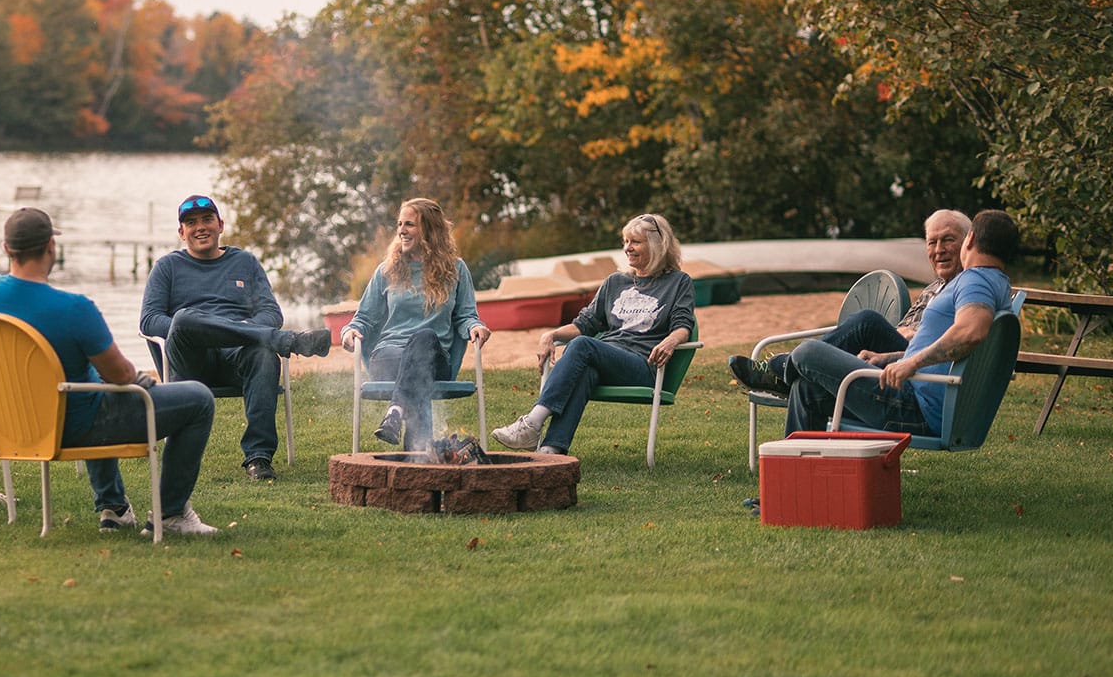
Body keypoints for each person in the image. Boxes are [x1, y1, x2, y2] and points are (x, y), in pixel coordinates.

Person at [0, 207, 219, 535]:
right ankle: (171, 514)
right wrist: (140, 380)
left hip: (12, 424)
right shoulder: (75, 309)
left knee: (91, 383)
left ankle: (114, 508)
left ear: (6, 248)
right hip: (72, 426)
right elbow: (121, 375)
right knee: (199, 398)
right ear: (51, 247)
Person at [139, 194, 334, 483]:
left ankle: (258, 457)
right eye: (191, 223)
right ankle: (288, 341)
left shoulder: (245, 262)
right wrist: (198, 330)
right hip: (191, 361)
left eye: (207, 220)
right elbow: (149, 320)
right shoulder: (167, 267)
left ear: (220, 225)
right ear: (181, 232)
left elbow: (271, 312)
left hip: (237, 356)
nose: (200, 227)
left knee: (263, 353)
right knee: (184, 318)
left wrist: (237, 330)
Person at [783, 209, 1019, 437]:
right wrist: (891, 358)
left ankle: (778, 370)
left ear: (971, 239)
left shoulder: (976, 281)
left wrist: (912, 363)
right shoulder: (996, 282)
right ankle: (794, 464)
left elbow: (970, 333)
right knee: (806, 389)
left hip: (914, 405)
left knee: (808, 351)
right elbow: (955, 351)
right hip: (921, 399)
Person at [490, 213, 697, 456]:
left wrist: (671, 341)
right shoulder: (615, 282)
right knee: (586, 370)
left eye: (635, 242)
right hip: (607, 360)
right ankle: (551, 450)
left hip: (643, 365)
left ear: (657, 245)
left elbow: (683, 325)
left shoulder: (678, 282)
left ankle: (532, 423)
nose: (627, 248)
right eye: (625, 241)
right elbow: (585, 323)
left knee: (583, 345)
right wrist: (550, 335)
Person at [726, 209, 973, 396]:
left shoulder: (969, 288)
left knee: (868, 322)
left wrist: (898, 347)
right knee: (806, 385)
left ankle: (781, 369)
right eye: (932, 242)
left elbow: (949, 347)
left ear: (967, 243)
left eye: (948, 240)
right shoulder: (934, 287)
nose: (939, 249)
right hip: (896, 356)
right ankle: (792, 375)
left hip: (917, 367)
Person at [340, 198, 492, 450]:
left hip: (434, 358)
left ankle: (395, 412)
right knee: (418, 372)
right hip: (388, 358)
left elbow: (466, 315)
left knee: (424, 337)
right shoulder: (387, 270)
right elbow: (362, 318)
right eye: (400, 224)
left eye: (409, 224)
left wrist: (474, 327)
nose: (401, 230)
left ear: (430, 230)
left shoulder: (456, 270)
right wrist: (350, 331)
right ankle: (419, 453)